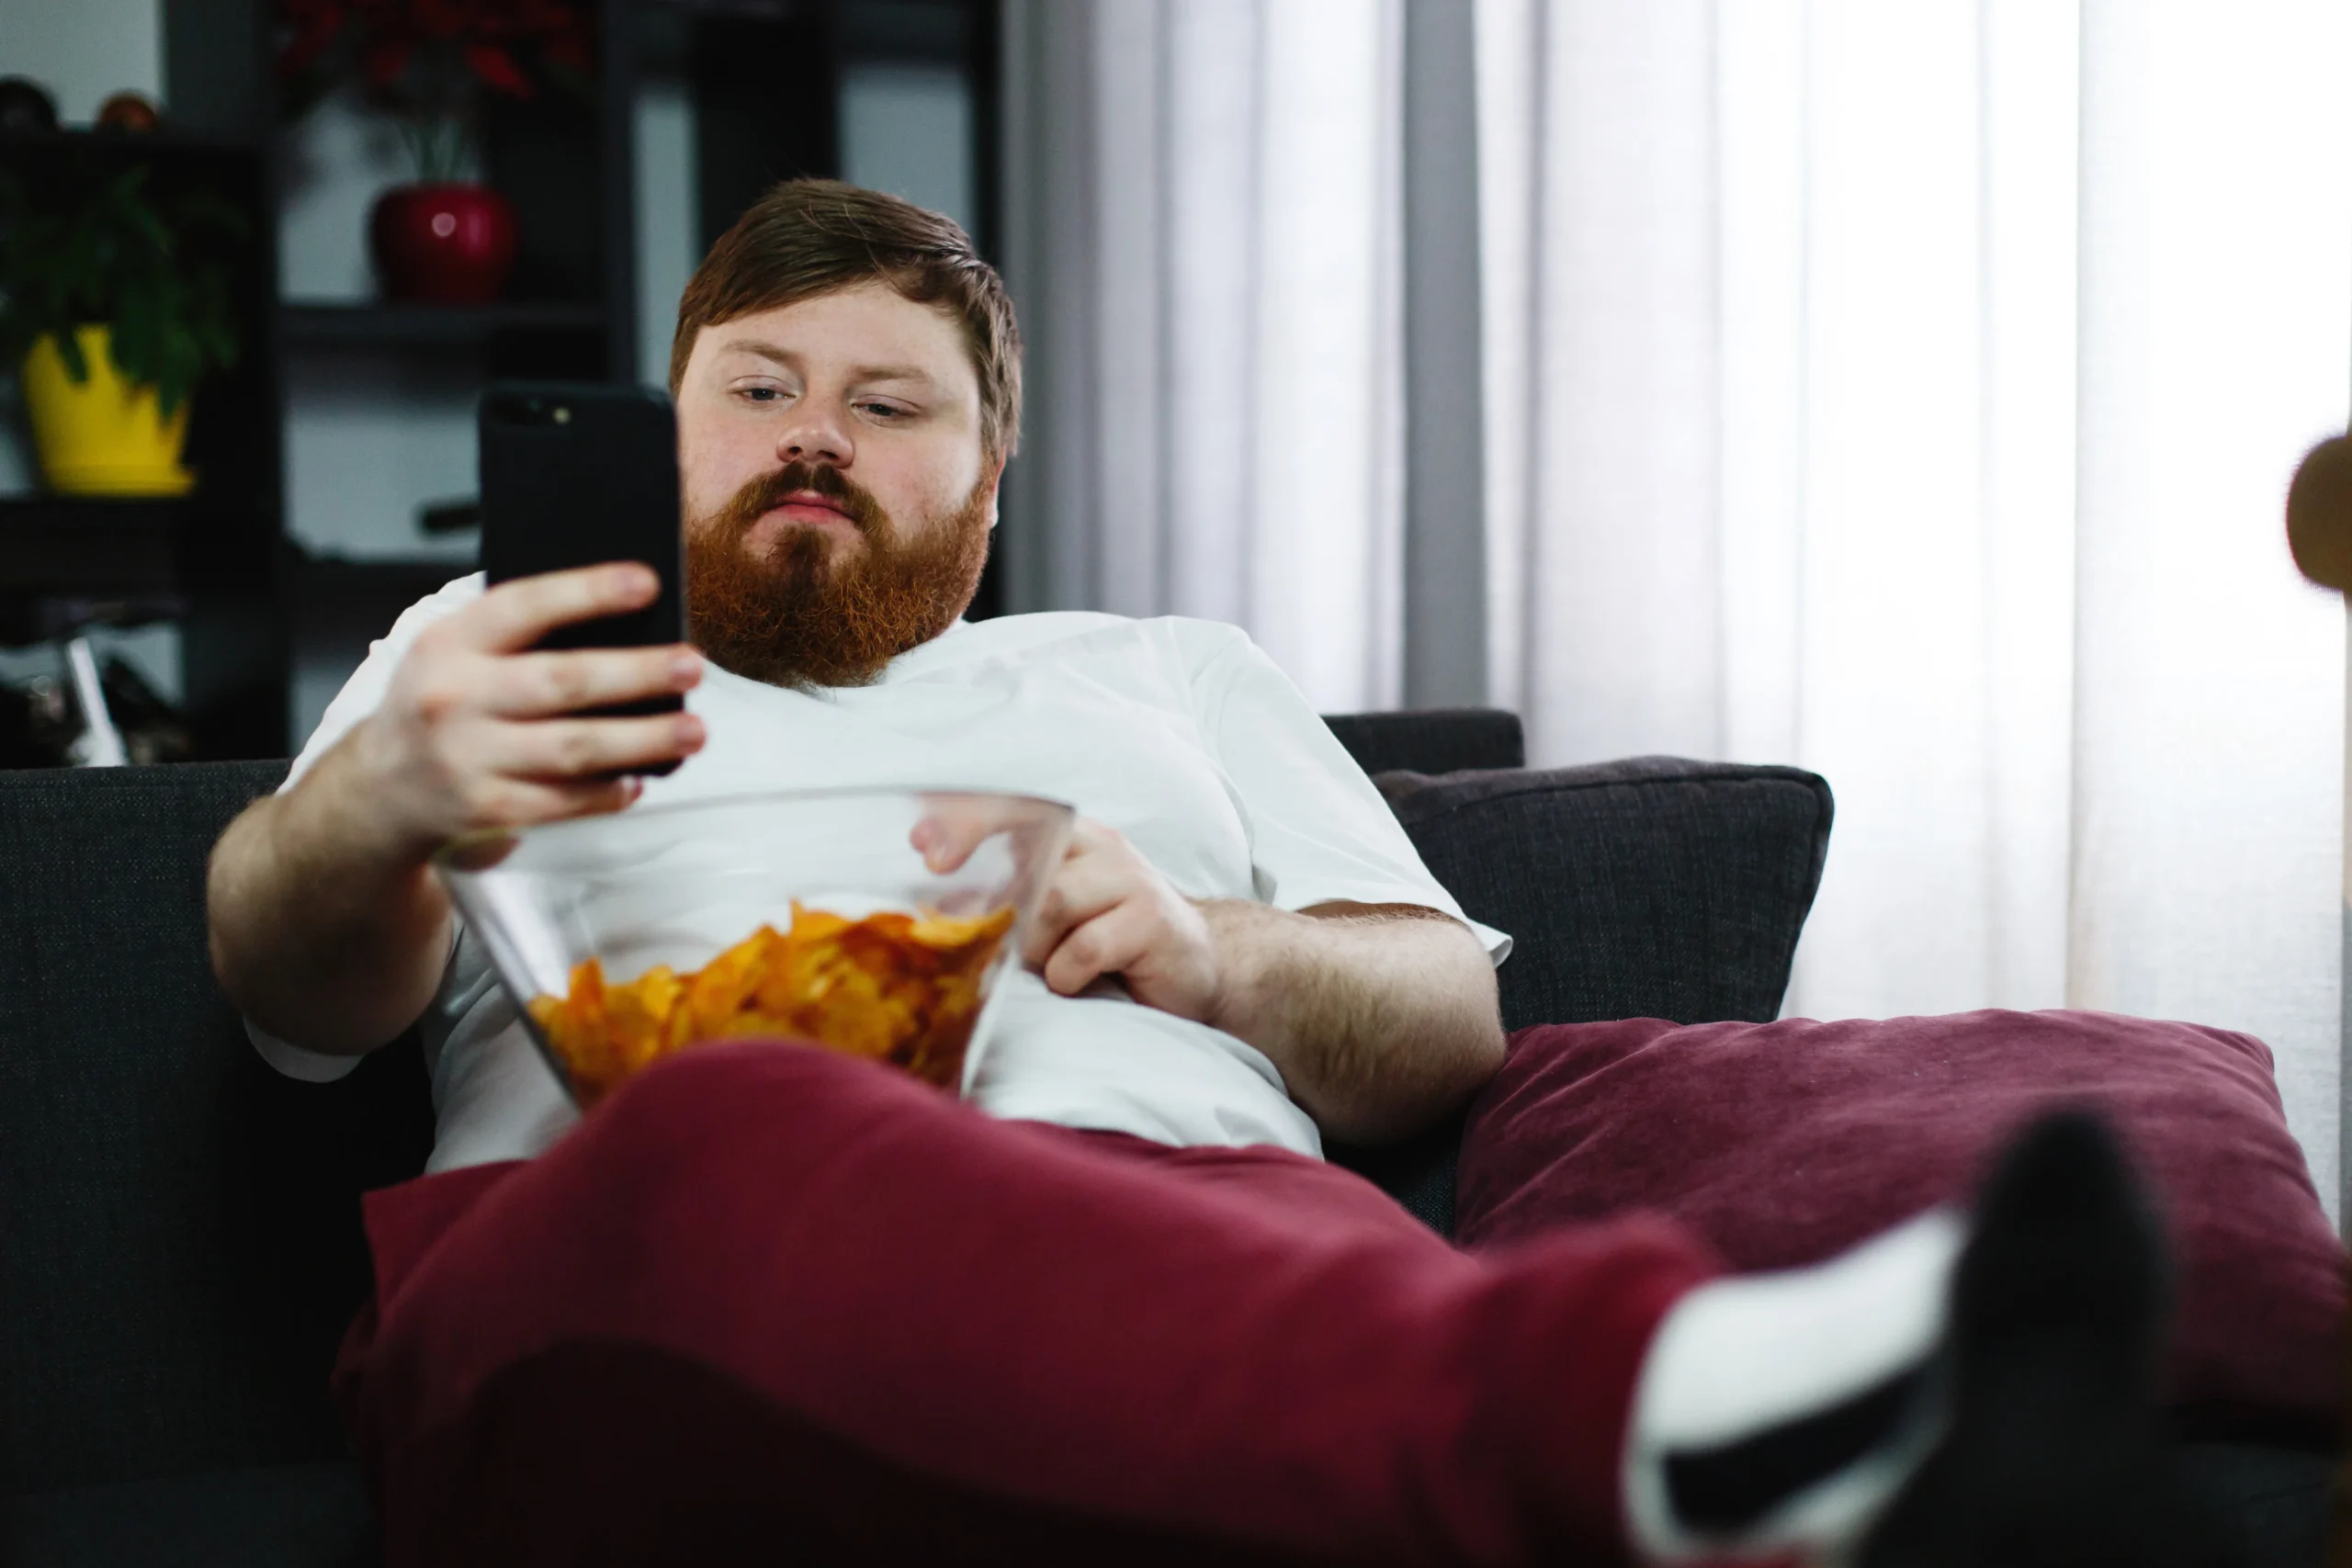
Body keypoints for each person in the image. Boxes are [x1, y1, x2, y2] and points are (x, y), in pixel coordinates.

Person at [207, 181, 2219, 1567]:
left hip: (1231, 1243)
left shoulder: (1164, 674)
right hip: (615, 1267)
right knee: (737, 1120)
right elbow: (289, 1002)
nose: (810, 436)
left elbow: (1447, 1024)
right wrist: (380, 799)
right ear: (671, 430)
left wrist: (1215, 953)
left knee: (1275, 1317)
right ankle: (1652, 1428)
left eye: (886, 403)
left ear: (988, 487)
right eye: (753, 388)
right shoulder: (496, 640)